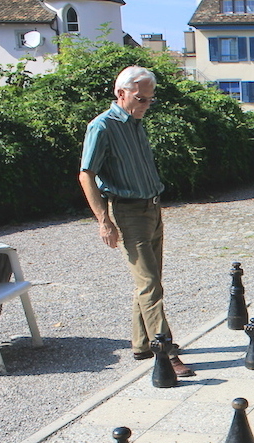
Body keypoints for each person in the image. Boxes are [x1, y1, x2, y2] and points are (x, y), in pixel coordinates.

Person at [79, 65, 194, 377]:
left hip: (152, 208)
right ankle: (167, 352)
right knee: (149, 284)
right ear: (121, 93)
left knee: (149, 280)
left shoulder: (135, 124)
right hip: (128, 212)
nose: (146, 105)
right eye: (141, 99)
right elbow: (86, 174)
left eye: (149, 100)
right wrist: (104, 220)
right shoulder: (102, 127)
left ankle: (142, 344)